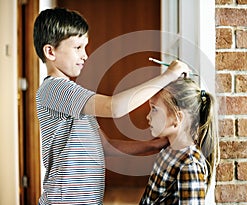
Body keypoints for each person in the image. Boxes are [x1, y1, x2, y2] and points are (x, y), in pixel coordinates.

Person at [33, 7, 189, 205]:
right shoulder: (55, 89)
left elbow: (106, 146)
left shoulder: (75, 98)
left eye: (85, 47)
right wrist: (169, 75)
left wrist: (155, 145)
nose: (85, 56)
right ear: (50, 51)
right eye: (78, 47)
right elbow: (114, 107)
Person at [139, 77, 218, 205]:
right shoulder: (168, 151)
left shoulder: (189, 165)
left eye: (154, 109)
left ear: (177, 118)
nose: (148, 116)